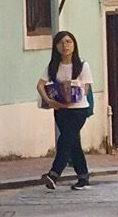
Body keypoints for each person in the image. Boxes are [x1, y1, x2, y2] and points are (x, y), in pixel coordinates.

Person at [38, 29, 96, 191]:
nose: (65, 46)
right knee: (73, 143)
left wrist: (71, 98)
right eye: (61, 42)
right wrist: (49, 100)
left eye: (69, 42)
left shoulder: (82, 65)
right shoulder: (53, 67)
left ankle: (54, 173)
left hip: (78, 110)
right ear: (56, 46)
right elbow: (40, 84)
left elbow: (85, 88)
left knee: (64, 140)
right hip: (60, 110)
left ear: (74, 45)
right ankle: (83, 177)